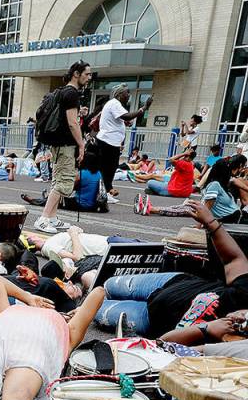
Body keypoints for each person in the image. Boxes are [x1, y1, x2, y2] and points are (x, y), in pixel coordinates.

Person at [96, 200, 248, 337]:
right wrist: (211, 223)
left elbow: (169, 343)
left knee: (92, 307)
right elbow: (233, 260)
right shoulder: (245, 292)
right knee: (109, 284)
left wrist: (208, 330)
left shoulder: (235, 337)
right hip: (172, 283)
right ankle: (88, 279)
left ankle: (86, 284)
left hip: (150, 318)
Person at [33, 61, 92, 234]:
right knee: (64, 182)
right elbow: (73, 123)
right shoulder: (72, 93)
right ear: (76, 74)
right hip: (66, 145)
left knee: (57, 180)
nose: (89, 78)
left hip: (58, 144)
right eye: (87, 74)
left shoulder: (62, 92)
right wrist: (81, 145)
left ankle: (51, 217)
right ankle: (44, 218)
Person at [95, 85, 151, 203]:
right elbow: (127, 116)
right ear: (120, 95)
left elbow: (125, 119)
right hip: (107, 141)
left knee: (110, 168)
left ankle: (106, 191)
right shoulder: (114, 103)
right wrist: (143, 107)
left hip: (110, 142)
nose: (128, 95)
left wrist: (127, 122)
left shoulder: (115, 104)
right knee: (108, 169)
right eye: (127, 93)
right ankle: (104, 193)